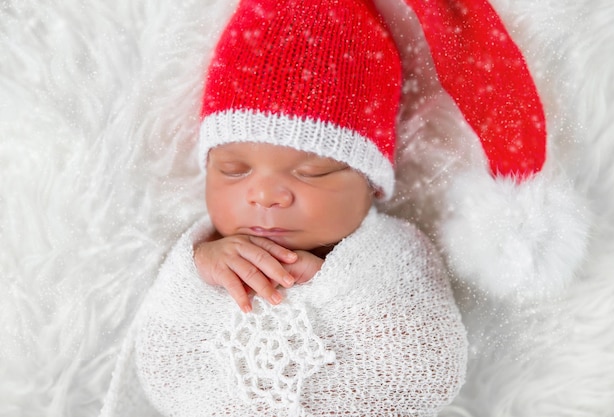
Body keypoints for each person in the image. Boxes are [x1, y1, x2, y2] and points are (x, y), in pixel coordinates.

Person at [100, 0, 471, 415]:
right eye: (234, 170)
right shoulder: (203, 260)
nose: (265, 195)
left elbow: (431, 371)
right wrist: (200, 267)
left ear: (370, 185)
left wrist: (335, 288)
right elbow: (160, 358)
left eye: (313, 172)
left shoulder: (395, 258)